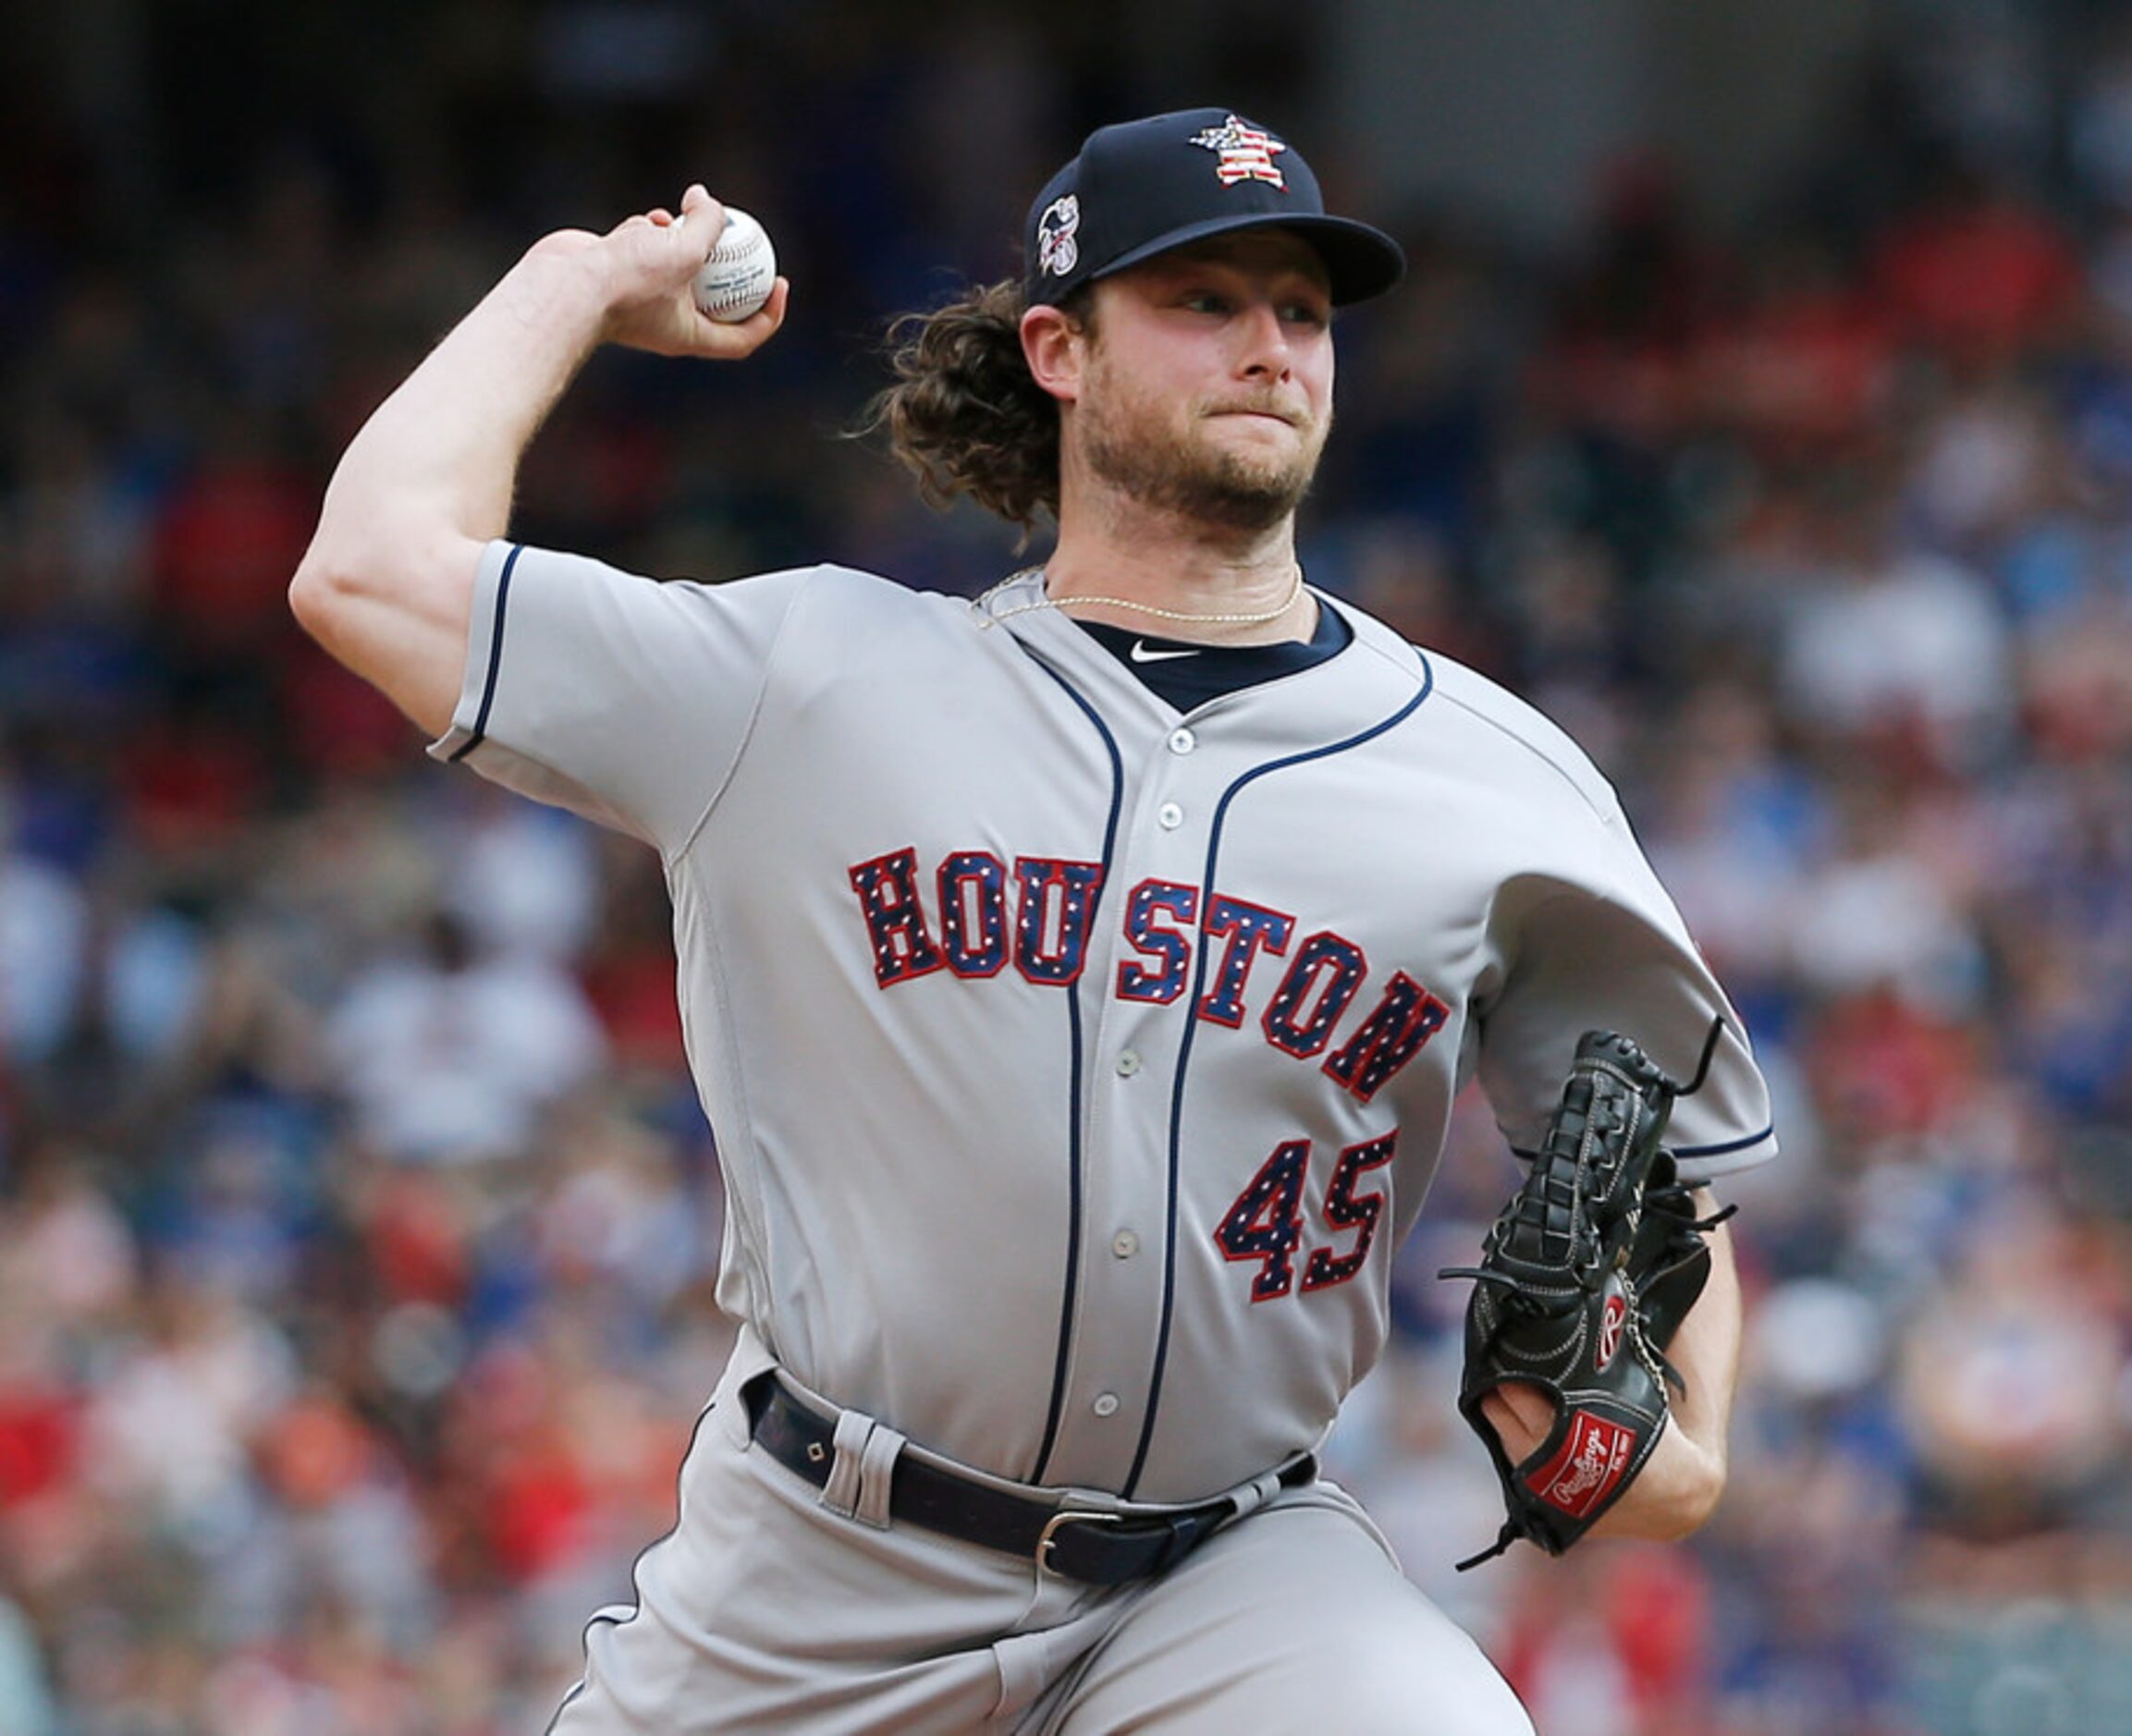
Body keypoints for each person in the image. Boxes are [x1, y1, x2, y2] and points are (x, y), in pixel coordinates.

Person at [291, 107, 1775, 1734]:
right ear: (1059, 348)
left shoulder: (1495, 778)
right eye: (1203, 302)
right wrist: (572, 282)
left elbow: (1660, 1174)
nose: (1269, 346)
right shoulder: (807, 682)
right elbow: (367, 572)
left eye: (1301, 309)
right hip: (817, 1571)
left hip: (1229, 1581)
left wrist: (1677, 1460)